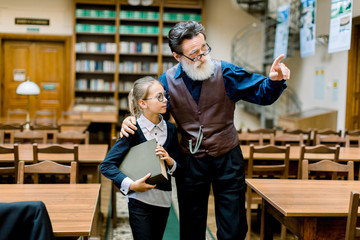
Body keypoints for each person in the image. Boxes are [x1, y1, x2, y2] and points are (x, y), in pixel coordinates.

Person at [120, 21, 290, 240]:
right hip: (190, 163)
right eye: (194, 53)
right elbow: (153, 116)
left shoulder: (225, 71)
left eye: (204, 49)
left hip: (228, 157)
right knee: (191, 226)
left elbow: (262, 92)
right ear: (177, 56)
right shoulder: (167, 82)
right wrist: (131, 120)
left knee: (234, 227)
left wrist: (275, 81)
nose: (202, 56)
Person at [100, 76, 180, 240]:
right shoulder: (132, 128)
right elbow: (107, 166)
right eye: (159, 97)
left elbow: (179, 168)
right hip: (139, 202)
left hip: (164, 201)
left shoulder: (171, 129)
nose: (165, 100)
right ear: (143, 103)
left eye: (165, 95)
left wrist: (170, 161)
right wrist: (132, 186)